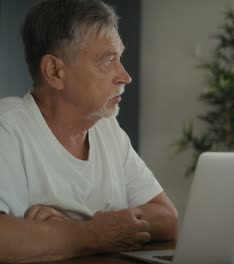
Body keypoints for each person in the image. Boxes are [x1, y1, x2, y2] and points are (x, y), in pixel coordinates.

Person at [0, 0, 178, 262]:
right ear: (55, 71)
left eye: (120, 59)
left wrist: (79, 230)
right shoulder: (7, 127)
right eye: (108, 60)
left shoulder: (107, 128)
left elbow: (167, 217)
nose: (125, 76)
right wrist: (92, 235)